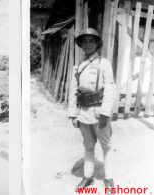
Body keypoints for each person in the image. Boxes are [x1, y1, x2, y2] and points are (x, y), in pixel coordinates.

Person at [68, 28, 116, 194]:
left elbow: (110, 89)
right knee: (88, 146)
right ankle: (88, 176)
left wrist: (105, 113)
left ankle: (108, 179)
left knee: (106, 146)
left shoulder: (104, 63)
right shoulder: (78, 67)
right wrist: (73, 114)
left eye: (91, 41)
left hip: (99, 112)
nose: (87, 44)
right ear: (81, 44)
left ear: (97, 44)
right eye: (84, 41)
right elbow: (73, 90)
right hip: (83, 113)